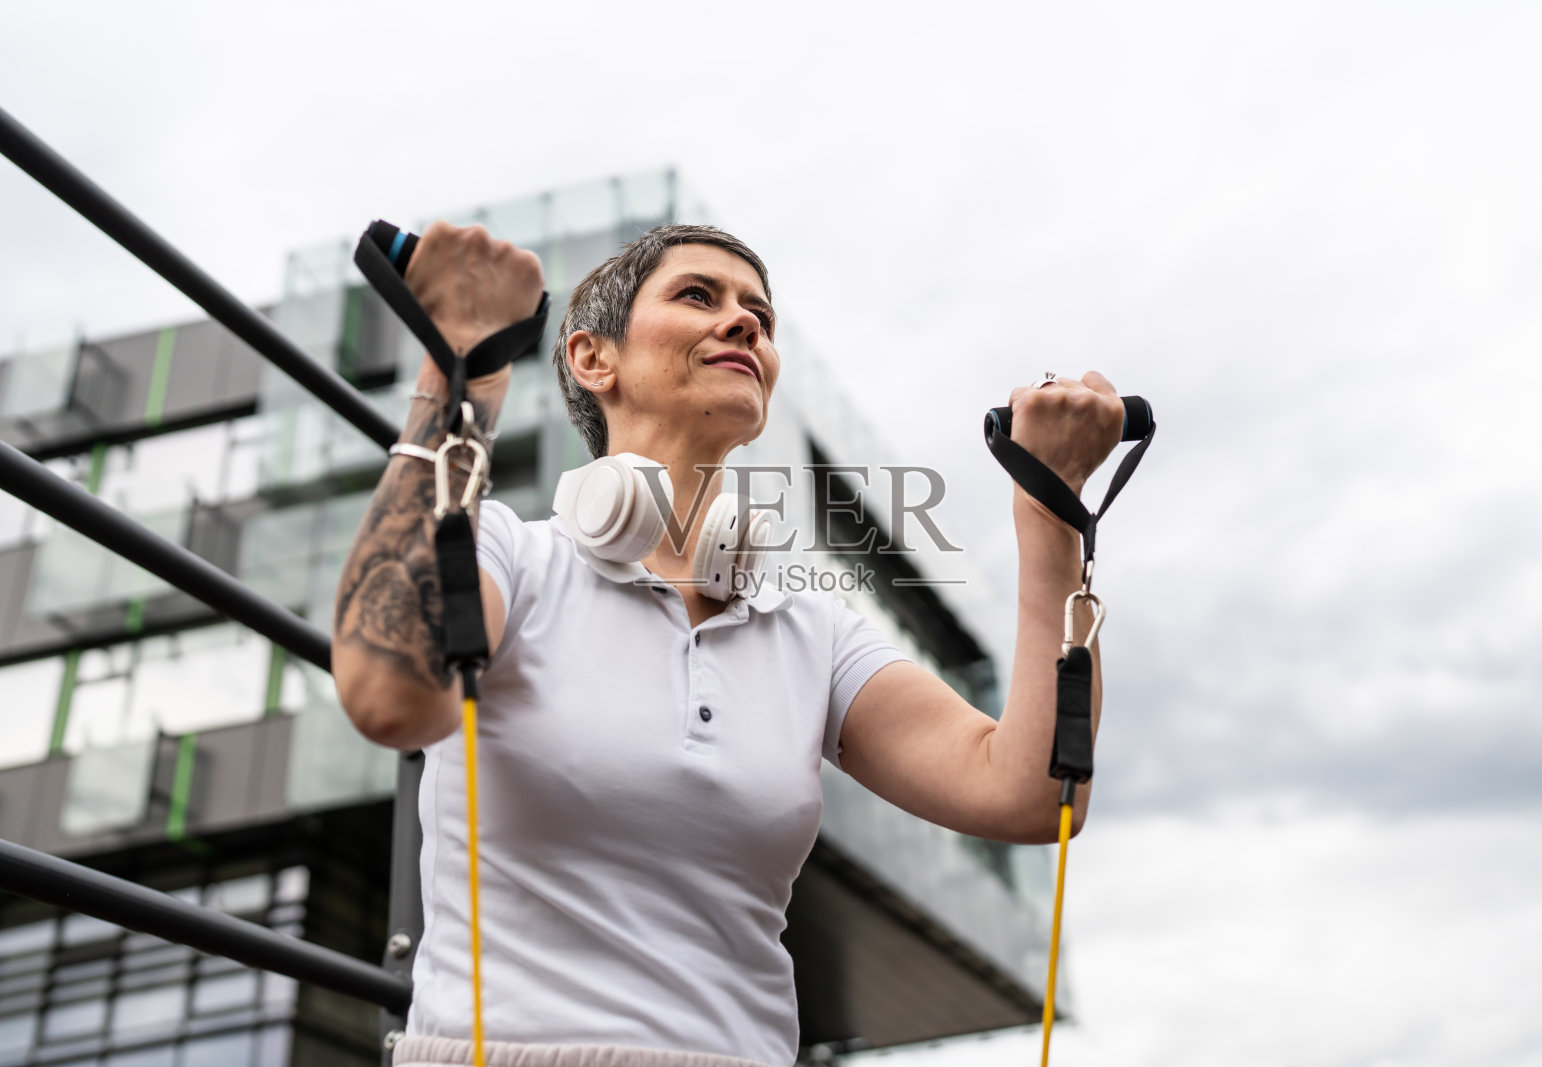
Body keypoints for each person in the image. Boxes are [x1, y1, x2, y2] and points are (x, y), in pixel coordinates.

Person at [331, 222, 1124, 1067]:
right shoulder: (509, 556)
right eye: (698, 296)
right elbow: (389, 695)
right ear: (593, 359)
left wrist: (1051, 513)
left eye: (762, 314)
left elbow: (1031, 794)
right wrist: (460, 369)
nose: (746, 324)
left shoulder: (809, 628)